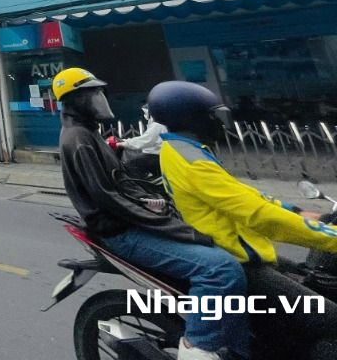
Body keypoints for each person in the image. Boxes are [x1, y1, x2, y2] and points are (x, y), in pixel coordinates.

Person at [53, 68, 249, 360]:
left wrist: (152, 202)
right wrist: (174, 227)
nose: (101, 99)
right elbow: (109, 199)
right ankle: (197, 349)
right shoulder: (79, 140)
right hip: (121, 232)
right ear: (74, 100)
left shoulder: (88, 133)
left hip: (128, 223)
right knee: (220, 270)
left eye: (100, 92)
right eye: (93, 94)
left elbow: (120, 183)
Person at [148, 81, 337, 359]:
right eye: (214, 116)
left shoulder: (184, 149)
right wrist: (330, 239)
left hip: (244, 250)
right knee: (329, 320)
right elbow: (259, 215)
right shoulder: (192, 162)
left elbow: (245, 195)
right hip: (240, 261)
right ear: (193, 118)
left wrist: (298, 211)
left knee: (312, 280)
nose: (220, 123)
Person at [111, 104, 167, 177]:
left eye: (145, 113)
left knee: (130, 165)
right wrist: (125, 141)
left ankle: (136, 183)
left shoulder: (157, 125)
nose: (145, 115)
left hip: (156, 156)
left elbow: (144, 141)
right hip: (158, 155)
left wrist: (123, 143)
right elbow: (145, 139)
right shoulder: (160, 123)